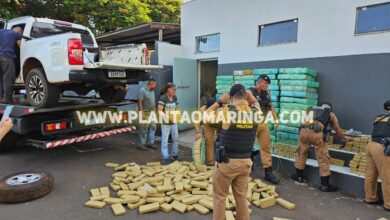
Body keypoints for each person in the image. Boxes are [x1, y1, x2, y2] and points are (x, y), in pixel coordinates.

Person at [209, 84, 260, 220]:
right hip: (246, 163)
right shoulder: (255, 112)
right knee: (241, 197)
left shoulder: (227, 111)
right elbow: (255, 102)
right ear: (245, 96)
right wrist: (250, 95)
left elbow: (206, 116)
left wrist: (219, 102)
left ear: (231, 97)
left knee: (220, 197)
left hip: (227, 163)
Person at [292, 102, 353, 192]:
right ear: (330, 109)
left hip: (304, 133)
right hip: (317, 136)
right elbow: (337, 130)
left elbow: (301, 122)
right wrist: (345, 137)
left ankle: (299, 177)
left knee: (301, 154)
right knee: (323, 158)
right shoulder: (330, 114)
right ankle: (325, 185)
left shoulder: (311, 110)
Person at [247, 74, 280, 184]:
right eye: (265, 83)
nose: (267, 85)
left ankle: (268, 172)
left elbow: (271, 107)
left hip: (263, 124)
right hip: (251, 124)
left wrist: (276, 119)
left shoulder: (267, 93)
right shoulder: (249, 92)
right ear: (259, 82)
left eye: (268, 84)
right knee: (246, 146)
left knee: (266, 146)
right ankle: (245, 167)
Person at [364, 100, 390, 212]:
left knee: (371, 174)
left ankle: (370, 198)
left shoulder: (379, 117)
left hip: (371, 145)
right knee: (387, 176)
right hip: (382, 147)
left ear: (385, 109)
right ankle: (388, 204)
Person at [158, 83, 179, 164]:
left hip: (174, 122)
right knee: (165, 140)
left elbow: (177, 108)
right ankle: (165, 157)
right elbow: (159, 111)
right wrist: (167, 118)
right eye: (174, 90)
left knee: (175, 139)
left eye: (175, 90)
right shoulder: (163, 98)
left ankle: (174, 155)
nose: (175, 91)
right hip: (165, 123)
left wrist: (176, 116)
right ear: (169, 89)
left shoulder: (175, 97)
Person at [0, 27, 23, 104]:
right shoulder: (15, 34)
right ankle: (7, 98)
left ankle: (1, 96)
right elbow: (21, 45)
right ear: (19, 32)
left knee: (1, 78)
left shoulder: (1, 31)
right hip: (7, 57)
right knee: (8, 78)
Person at [194, 98, 217, 166]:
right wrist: (198, 132)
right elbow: (196, 121)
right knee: (209, 142)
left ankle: (222, 161)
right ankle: (210, 162)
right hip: (208, 125)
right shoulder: (202, 110)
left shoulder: (219, 108)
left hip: (218, 124)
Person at [137, 78, 158, 151]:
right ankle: (142, 144)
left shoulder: (152, 91)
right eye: (155, 85)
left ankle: (150, 143)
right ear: (151, 84)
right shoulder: (142, 90)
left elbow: (153, 102)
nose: (155, 86)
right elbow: (139, 102)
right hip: (145, 113)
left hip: (152, 113)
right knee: (144, 129)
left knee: (153, 127)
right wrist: (141, 113)